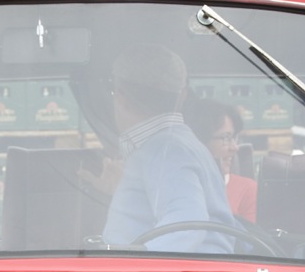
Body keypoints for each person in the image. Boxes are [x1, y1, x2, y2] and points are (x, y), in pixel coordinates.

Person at [101, 44, 236, 253]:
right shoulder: (175, 144)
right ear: (182, 96)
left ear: (120, 96)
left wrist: (139, 265)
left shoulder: (164, 150)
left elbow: (187, 225)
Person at [184, 95, 258, 222]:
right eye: (226, 138)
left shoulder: (247, 189)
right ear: (199, 141)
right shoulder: (176, 188)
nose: (235, 148)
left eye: (234, 138)